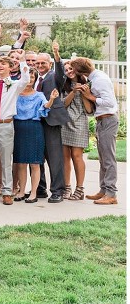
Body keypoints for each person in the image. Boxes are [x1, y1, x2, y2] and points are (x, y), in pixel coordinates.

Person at [69, 57, 120, 205]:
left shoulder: (100, 80)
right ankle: (103, 190)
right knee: (103, 158)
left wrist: (90, 96)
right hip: (102, 120)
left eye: (74, 69)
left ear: (79, 70)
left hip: (108, 120)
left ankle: (111, 194)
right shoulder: (94, 78)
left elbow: (109, 102)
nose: (73, 72)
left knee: (109, 159)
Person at [0, 52, 30, 205]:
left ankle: (7, 191)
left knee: (5, 159)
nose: (0, 66)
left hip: (5, 125)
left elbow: (26, 79)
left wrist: (22, 61)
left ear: (11, 68)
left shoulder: (14, 85)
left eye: (4, 64)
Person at [12, 71, 59, 203]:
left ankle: (33, 192)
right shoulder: (15, 94)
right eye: (27, 76)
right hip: (18, 128)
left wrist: (51, 99)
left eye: (32, 77)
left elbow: (45, 107)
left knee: (34, 163)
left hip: (34, 128)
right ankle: (21, 191)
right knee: (20, 163)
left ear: (35, 79)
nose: (29, 79)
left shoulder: (39, 95)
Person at [33, 45, 68, 203]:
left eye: (43, 63)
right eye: (37, 63)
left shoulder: (54, 76)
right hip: (35, 122)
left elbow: (62, 74)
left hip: (51, 121)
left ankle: (57, 191)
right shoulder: (33, 78)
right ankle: (40, 188)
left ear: (50, 64)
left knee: (54, 158)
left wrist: (56, 54)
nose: (40, 66)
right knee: (36, 156)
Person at [61, 60, 91, 201]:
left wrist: (85, 93)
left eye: (71, 68)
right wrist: (73, 92)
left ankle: (80, 189)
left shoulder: (87, 83)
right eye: (66, 70)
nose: (69, 71)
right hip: (65, 123)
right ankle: (67, 187)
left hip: (79, 123)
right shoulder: (64, 85)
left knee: (77, 156)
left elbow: (89, 110)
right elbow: (63, 105)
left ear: (76, 69)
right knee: (65, 157)